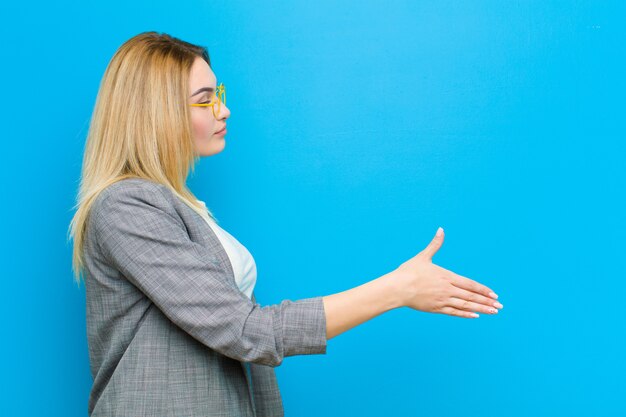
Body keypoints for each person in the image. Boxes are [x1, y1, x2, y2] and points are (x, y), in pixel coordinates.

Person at [68, 31, 503, 417]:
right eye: (204, 99)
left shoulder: (184, 208)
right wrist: (397, 289)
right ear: (154, 112)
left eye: (218, 92)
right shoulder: (126, 206)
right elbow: (247, 330)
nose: (225, 110)